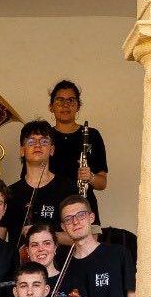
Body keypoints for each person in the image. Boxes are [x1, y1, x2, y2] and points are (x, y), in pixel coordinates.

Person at [5, 121, 78, 245]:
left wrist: (43, 235)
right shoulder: (10, 192)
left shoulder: (68, 188)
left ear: (52, 150)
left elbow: (79, 238)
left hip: (58, 264)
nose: (37, 145)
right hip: (19, 264)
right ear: (22, 150)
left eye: (44, 141)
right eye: (31, 142)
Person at [46, 81, 109, 220]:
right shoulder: (44, 137)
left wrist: (90, 176)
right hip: (50, 208)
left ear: (78, 106)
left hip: (84, 208)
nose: (65, 105)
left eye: (71, 100)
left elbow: (102, 183)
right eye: (60, 100)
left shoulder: (93, 135)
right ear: (51, 106)